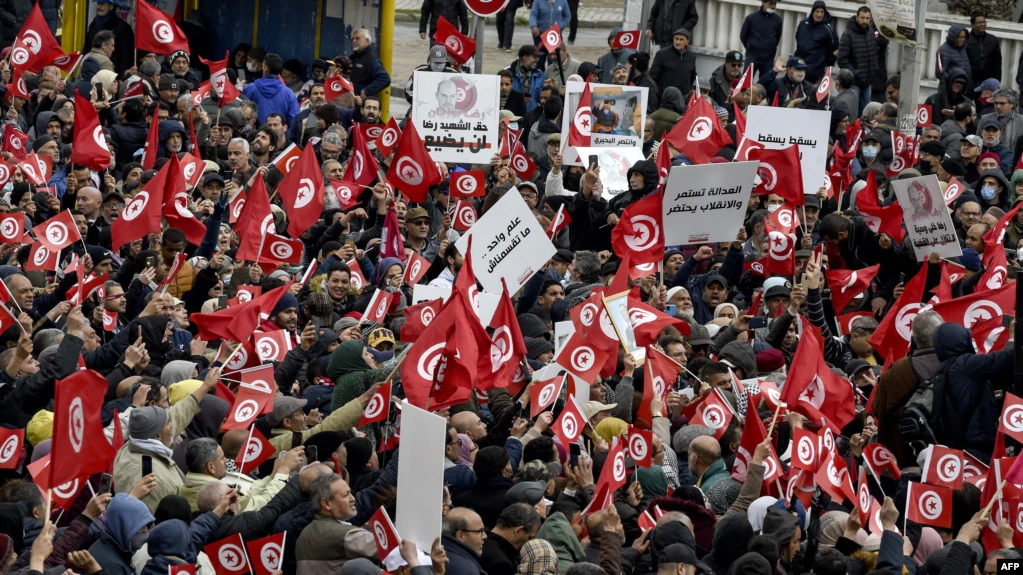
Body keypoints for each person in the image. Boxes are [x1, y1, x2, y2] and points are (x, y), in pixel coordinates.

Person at [838, 6, 881, 117]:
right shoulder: (848, 34)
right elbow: (842, 59)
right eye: (862, 18)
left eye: (867, 18)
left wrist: (874, 70)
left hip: (868, 82)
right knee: (852, 113)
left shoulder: (871, 31)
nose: (865, 21)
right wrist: (855, 73)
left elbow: (874, 53)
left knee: (866, 115)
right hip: (854, 82)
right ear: (857, 17)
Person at [241, 53, 300, 125]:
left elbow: (241, 115)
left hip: (256, 135)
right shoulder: (289, 93)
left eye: (263, 65)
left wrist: (239, 90)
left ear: (266, 68)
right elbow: (294, 121)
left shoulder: (249, 88)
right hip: (279, 135)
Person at [82, 0, 135, 75]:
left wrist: (121, 76)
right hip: (91, 73)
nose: (98, 7)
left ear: (111, 6)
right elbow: (86, 49)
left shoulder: (122, 28)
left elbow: (126, 55)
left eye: (102, 4)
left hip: (112, 75)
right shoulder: (93, 26)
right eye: (98, 4)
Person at [794, 1, 839, 84]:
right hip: (799, 66)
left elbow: (834, 50)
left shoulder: (829, 29)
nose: (819, 15)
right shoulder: (803, 23)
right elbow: (798, 38)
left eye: (822, 12)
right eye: (817, 11)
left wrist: (822, 64)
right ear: (812, 11)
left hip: (815, 71)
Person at [649, 29, 697, 102]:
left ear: (687, 42)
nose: (678, 42)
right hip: (665, 98)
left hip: (684, 98)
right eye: (676, 39)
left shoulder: (691, 57)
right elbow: (652, 76)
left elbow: (693, 76)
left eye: (681, 40)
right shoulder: (662, 54)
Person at [740, 0, 782, 80]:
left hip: (768, 58)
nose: (773, 6)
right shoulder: (751, 18)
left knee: (766, 83)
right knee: (746, 81)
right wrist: (751, 47)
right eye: (771, 3)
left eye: (775, 4)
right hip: (752, 56)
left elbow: (777, 38)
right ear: (764, 3)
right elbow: (743, 36)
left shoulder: (778, 20)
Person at [350, 28, 392, 100]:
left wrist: (367, 91)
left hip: (362, 104)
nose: (354, 41)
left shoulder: (371, 60)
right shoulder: (353, 57)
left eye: (357, 38)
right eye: (353, 38)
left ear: (366, 41)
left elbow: (385, 78)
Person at [967, 11, 1001, 90]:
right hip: (969, 82)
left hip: (987, 83)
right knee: (966, 102)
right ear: (972, 25)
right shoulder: (966, 40)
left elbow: (998, 62)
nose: (982, 24)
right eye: (979, 22)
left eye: (984, 22)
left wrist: (997, 81)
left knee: (984, 102)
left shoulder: (993, 40)